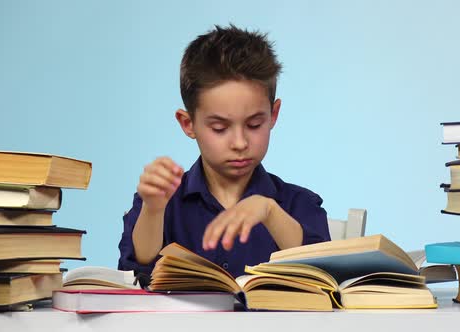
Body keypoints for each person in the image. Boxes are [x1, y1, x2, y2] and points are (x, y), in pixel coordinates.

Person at [118, 25, 330, 278]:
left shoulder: (300, 204)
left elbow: (323, 276)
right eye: (220, 128)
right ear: (188, 124)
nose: (240, 142)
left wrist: (271, 213)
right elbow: (135, 270)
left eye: (254, 125)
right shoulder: (162, 202)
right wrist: (153, 211)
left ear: (273, 115)